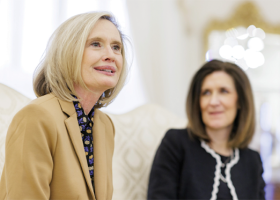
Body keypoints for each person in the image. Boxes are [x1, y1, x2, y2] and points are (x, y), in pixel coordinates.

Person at [0, 11, 128, 200]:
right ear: (69, 52)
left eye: (116, 47)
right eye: (95, 44)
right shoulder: (36, 117)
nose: (111, 55)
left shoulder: (105, 125)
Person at [147, 60, 265, 200]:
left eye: (224, 91)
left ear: (240, 101)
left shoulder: (252, 160)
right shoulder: (176, 143)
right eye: (206, 93)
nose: (213, 102)